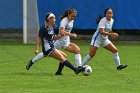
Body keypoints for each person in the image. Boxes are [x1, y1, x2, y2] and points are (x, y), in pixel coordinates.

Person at [54, 8, 83, 75]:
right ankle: (32, 61)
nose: (73, 18)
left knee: (77, 50)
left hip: (66, 42)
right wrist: (71, 34)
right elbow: (61, 31)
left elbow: (66, 31)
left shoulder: (71, 21)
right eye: (72, 16)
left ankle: (79, 67)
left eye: (74, 16)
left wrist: (69, 35)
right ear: (68, 14)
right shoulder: (64, 21)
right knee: (45, 53)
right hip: (59, 42)